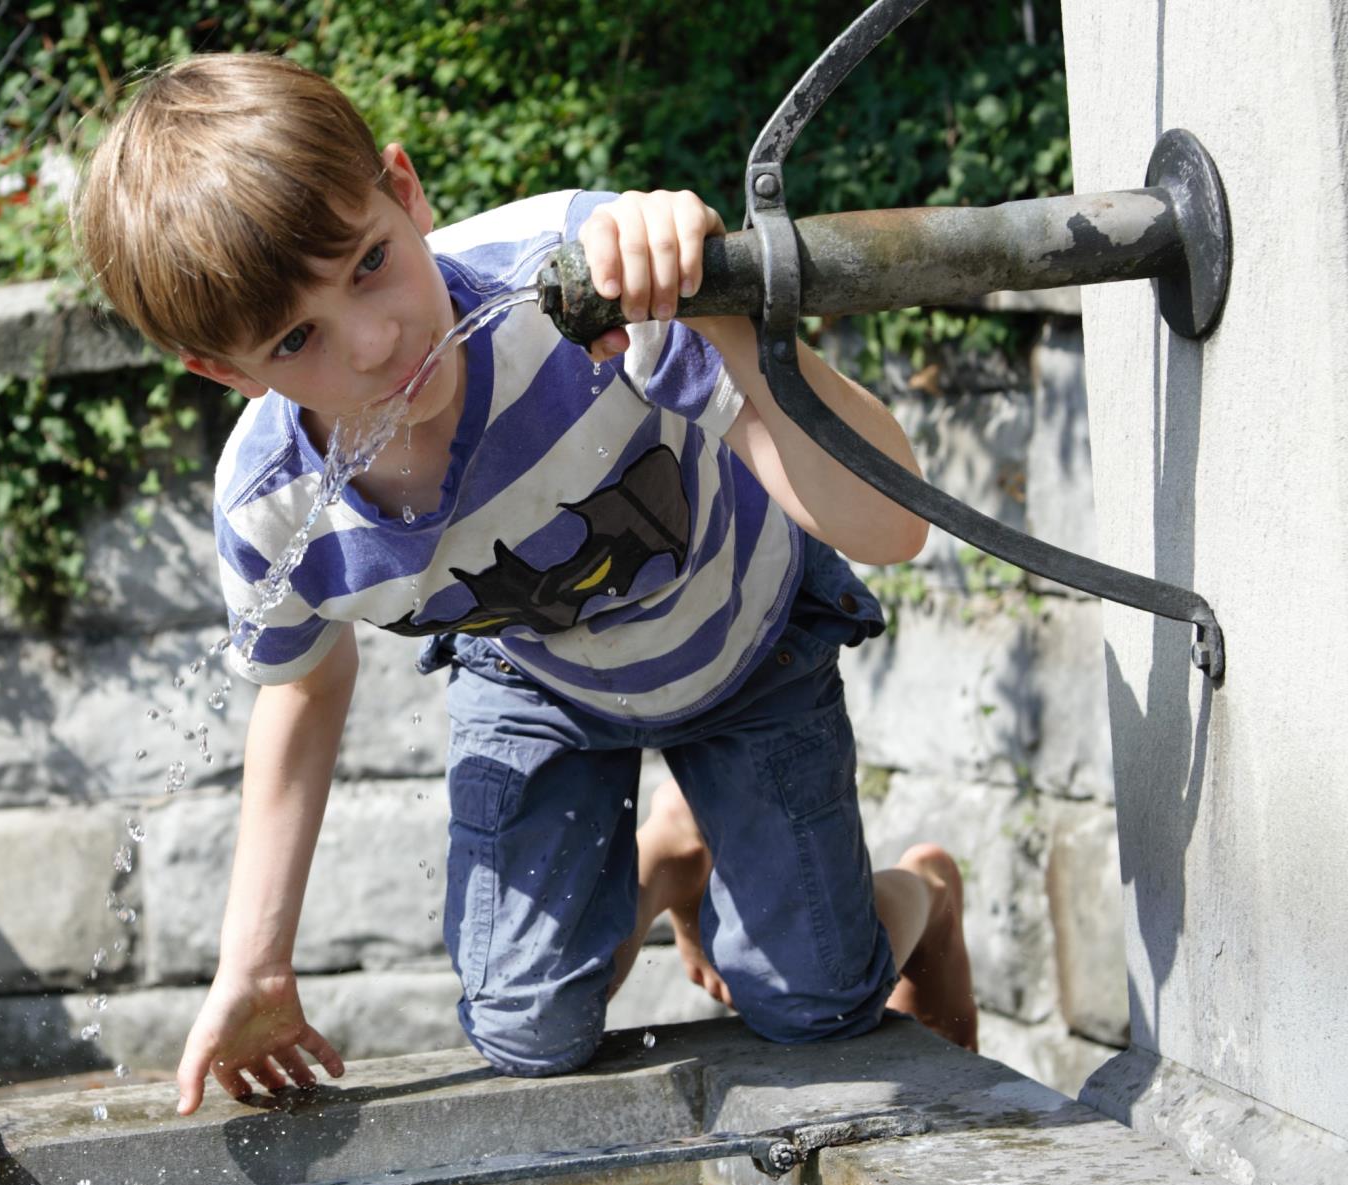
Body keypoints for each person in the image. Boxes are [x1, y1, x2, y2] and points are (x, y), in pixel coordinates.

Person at [74, 53, 977, 1115]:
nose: (375, 344)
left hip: (743, 639)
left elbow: (899, 528)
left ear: (405, 192)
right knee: (527, 1029)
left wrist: (723, 315)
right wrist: (255, 963)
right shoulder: (274, 505)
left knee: (817, 1004)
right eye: (295, 338)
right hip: (539, 680)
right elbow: (304, 687)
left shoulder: (576, 289)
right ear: (226, 371)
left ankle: (926, 894)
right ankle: (672, 856)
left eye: (370, 261)